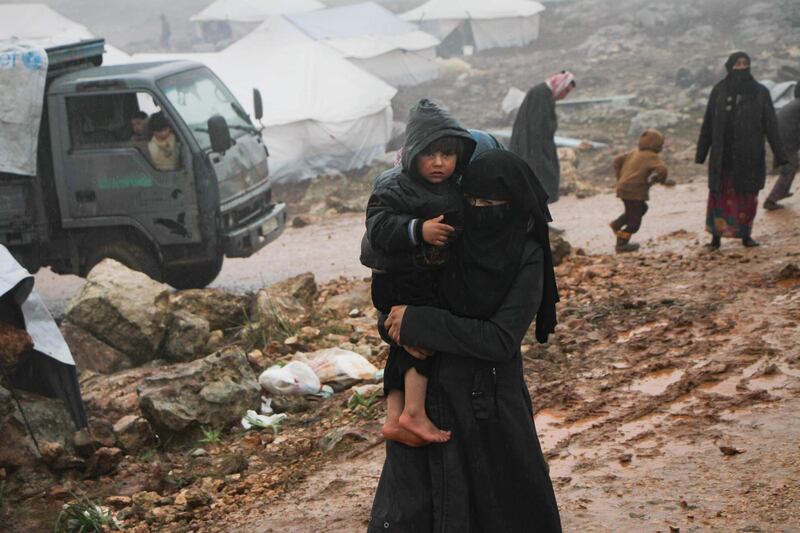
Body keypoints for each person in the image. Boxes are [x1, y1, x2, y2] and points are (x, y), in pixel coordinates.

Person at [368, 149, 562, 532]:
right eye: (473, 200)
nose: (480, 210)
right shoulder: (449, 239)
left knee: (501, 514)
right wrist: (402, 333)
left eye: (492, 203)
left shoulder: (527, 257)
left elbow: (499, 339)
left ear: (515, 204)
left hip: (491, 409)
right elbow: (396, 306)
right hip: (429, 405)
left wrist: (421, 324)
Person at [360, 98, 476, 446]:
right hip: (403, 282)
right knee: (418, 341)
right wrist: (418, 230)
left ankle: (394, 417)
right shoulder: (395, 185)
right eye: (429, 154)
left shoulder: (451, 187)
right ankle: (414, 411)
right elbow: (378, 227)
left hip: (418, 278)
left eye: (448, 154)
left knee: (402, 346)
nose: (439, 162)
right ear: (412, 153)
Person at [696, 52, 787, 249]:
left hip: (749, 155)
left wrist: (780, 155)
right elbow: (708, 123)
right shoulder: (718, 91)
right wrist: (701, 152)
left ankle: (746, 236)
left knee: (747, 196)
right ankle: (715, 238)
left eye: (745, 63)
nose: (741, 67)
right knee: (719, 196)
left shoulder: (760, 92)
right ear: (730, 66)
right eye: (738, 64)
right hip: (723, 155)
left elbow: (771, 125)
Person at [510, 70, 576, 203]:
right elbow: (537, 125)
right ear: (560, 86)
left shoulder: (545, 94)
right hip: (533, 147)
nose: (564, 96)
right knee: (540, 177)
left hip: (538, 145)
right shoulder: (541, 94)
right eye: (566, 91)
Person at [610, 129, 672, 253]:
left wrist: (620, 177)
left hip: (623, 189)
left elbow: (616, 160)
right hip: (634, 191)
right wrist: (660, 179)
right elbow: (663, 169)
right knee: (634, 224)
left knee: (640, 209)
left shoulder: (634, 152)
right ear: (657, 145)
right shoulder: (652, 156)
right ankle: (621, 243)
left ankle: (618, 223)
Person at [764, 82, 800, 210]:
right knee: (789, 169)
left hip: (782, 139)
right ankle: (770, 201)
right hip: (787, 141)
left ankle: (783, 192)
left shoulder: (793, 103)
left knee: (792, 166)